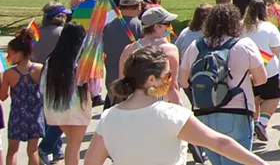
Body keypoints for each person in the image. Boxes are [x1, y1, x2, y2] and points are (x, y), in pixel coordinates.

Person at [86, 46, 268, 165]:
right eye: (167, 76)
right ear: (151, 80)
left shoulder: (108, 117)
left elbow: (91, 163)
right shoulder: (172, 115)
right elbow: (220, 143)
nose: (170, 80)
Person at [180, 3, 268, 165]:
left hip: (204, 111)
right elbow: (261, 79)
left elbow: (183, 81)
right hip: (237, 110)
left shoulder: (196, 46)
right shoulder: (245, 45)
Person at [41, 23, 92, 165]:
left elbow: (43, 87)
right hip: (79, 107)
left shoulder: (51, 60)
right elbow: (93, 88)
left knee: (71, 144)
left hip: (58, 107)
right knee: (74, 146)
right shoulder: (82, 61)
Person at [118, 5, 183, 105]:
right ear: (157, 27)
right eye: (167, 24)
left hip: (133, 104)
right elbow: (172, 87)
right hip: (158, 104)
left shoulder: (129, 49)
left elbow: (122, 81)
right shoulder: (169, 50)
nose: (170, 27)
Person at [32, 2, 71, 162]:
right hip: (59, 78)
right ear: (58, 17)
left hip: (39, 78)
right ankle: (46, 147)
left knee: (48, 114)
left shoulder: (36, 34)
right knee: (59, 116)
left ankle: (56, 149)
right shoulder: (64, 34)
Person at [241, 0, 280, 142]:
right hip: (268, 70)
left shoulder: (240, 28)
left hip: (245, 71)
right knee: (273, 97)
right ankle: (262, 122)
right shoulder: (269, 28)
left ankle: (252, 127)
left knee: (253, 99)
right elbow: (278, 51)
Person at [2, 27, 45, 165]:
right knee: (32, 151)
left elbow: (3, 97)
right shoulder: (40, 69)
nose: (8, 57)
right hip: (35, 114)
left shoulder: (9, 74)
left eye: (10, 54)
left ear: (19, 54)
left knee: (12, 151)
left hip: (17, 116)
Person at [103, 0, 145, 93]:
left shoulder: (108, 26)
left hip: (112, 79)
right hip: (132, 80)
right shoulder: (139, 27)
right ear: (139, 6)